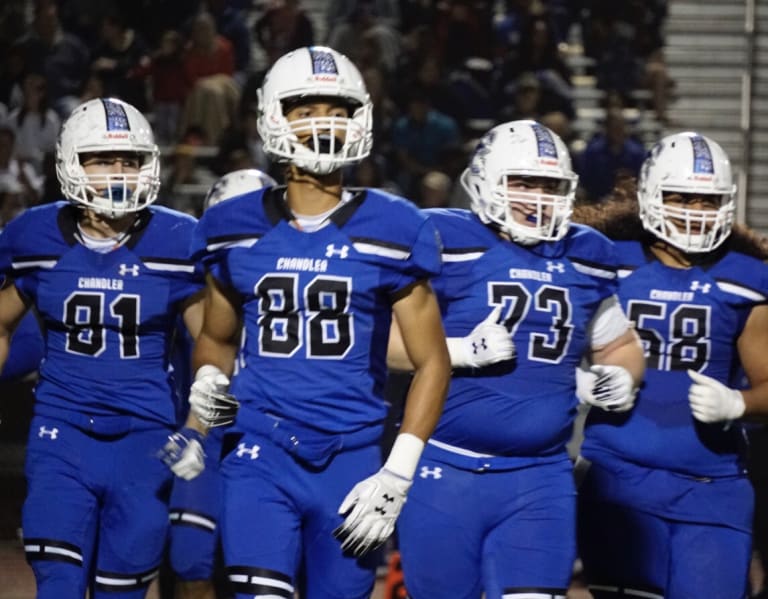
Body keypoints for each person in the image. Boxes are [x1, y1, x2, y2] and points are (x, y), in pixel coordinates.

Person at [186, 46, 451, 599]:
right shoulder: (230, 225)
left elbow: (432, 362)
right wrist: (209, 382)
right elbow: (215, 337)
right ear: (273, 118)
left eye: (337, 107)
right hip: (260, 448)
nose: (323, 121)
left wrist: (399, 472)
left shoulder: (394, 224)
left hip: (352, 457)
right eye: (305, 108)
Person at [387, 119, 646, 599]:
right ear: (486, 182)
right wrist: (460, 351)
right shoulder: (443, 239)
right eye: (522, 182)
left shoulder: (587, 254)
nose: (537, 196)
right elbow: (381, 344)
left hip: (540, 475)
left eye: (549, 185)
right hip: (446, 469)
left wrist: (621, 375)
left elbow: (619, 343)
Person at [0, 96, 206, 599]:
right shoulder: (33, 235)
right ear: (71, 162)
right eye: (102, 159)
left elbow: (218, 345)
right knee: (58, 584)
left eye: (129, 160)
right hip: (61, 435)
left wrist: (202, 426)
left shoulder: (180, 240)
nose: (118, 172)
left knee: (122, 591)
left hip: (145, 441)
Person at [575, 131, 768, 599]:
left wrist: (737, 403)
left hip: (711, 482)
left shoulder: (748, 278)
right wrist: (576, 379)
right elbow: (541, 348)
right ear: (648, 196)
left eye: (707, 200)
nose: (694, 211)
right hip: (618, 476)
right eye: (681, 197)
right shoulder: (602, 260)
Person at [168, 168, 276, 599]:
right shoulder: (191, 283)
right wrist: (193, 429)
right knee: (190, 560)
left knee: (266, 568)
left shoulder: (298, 278)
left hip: (270, 436)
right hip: (210, 435)